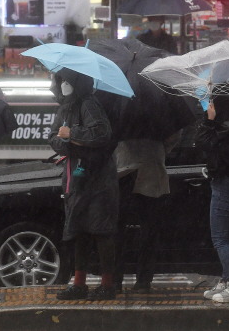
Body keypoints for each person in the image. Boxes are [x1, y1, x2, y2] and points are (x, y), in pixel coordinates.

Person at [48, 70, 119, 301]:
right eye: (61, 80)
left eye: (68, 80)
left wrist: (72, 134)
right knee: (79, 231)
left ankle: (107, 285)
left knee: (101, 231)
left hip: (97, 180)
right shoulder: (65, 107)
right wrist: (68, 141)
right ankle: (79, 284)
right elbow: (54, 138)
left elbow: (101, 134)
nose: (64, 85)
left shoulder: (89, 104)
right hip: (76, 179)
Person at [195, 88, 229, 303]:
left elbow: (202, 142)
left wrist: (208, 121)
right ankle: (228, 279)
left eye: (213, 101)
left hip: (225, 185)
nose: (211, 104)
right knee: (227, 236)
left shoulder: (227, 127)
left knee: (219, 239)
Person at [113, 132, 181, 294]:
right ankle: (143, 280)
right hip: (152, 166)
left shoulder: (123, 111)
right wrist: (161, 148)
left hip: (124, 167)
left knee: (117, 228)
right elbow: (174, 135)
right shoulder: (159, 111)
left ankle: (115, 280)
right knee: (149, 229)